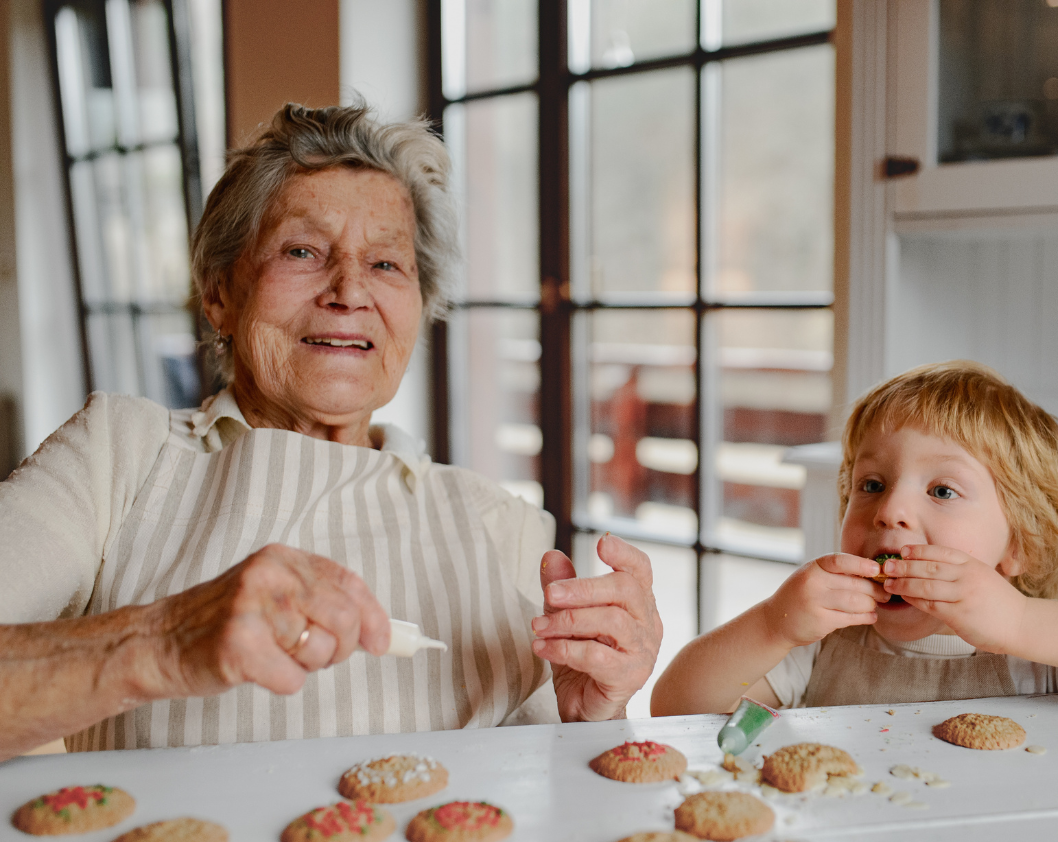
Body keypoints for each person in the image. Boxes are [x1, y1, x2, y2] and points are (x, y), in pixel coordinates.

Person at [0, 103, 662, 760]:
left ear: (417, 311)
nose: (349, 291)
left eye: (385, 265)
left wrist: (591, 719)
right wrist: (161, 640)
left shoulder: (502, 525)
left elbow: (547, 804)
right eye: (302, 250)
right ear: (219, 294)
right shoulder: (119, 454)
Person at [652, 361, 1058, 715]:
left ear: (1021, 546)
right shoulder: (821, 652)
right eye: (871, 484)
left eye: (941, 490)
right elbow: (677, 708)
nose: (890, 510)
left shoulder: (1048, 655)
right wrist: (772, 624)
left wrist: (1021, 622)